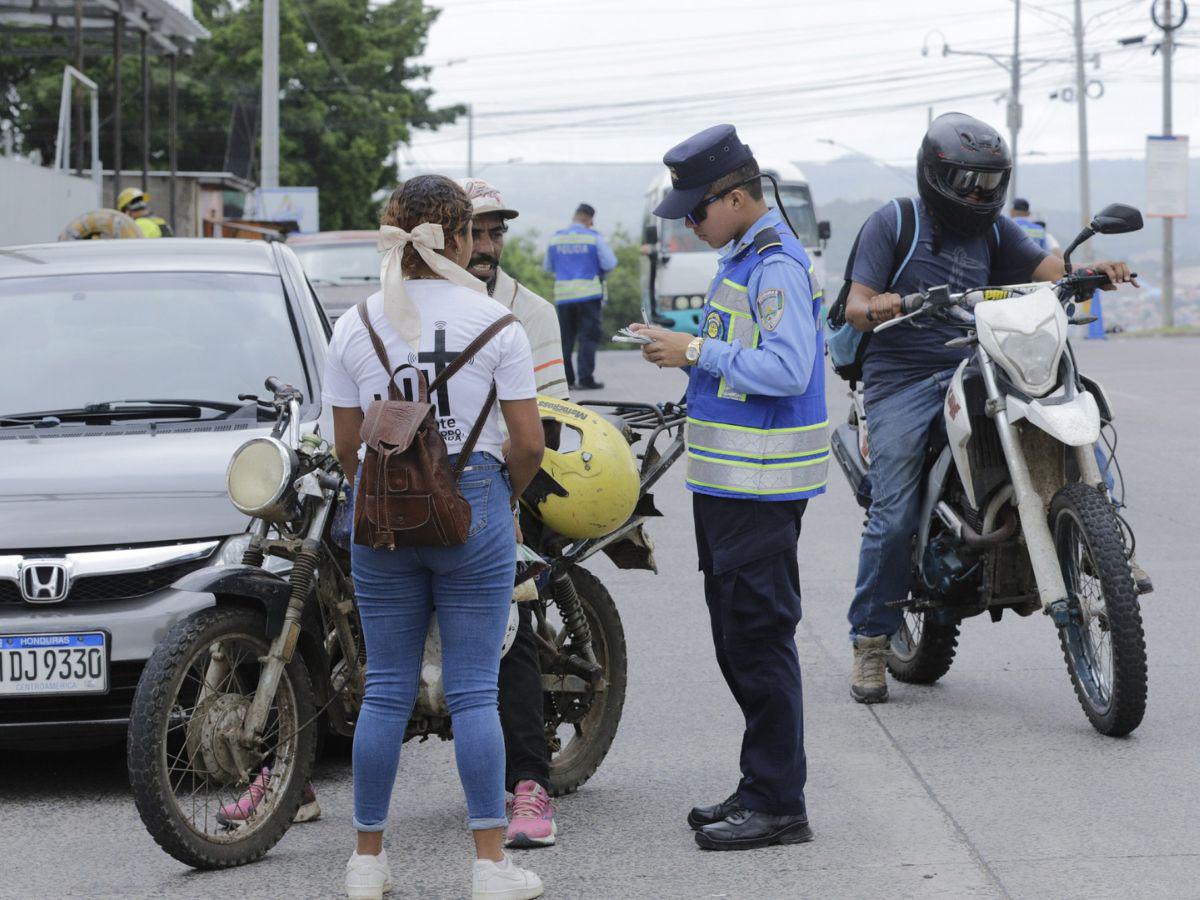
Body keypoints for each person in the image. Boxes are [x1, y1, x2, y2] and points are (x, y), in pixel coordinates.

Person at [842, 112, 1138, 705]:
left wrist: (1091, 273)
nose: (979, 193)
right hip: (902, 377)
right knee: (895, 508)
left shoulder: (995, 231)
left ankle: (1113, 560)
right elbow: (855, 304)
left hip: (979, 360)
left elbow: (1052, 271)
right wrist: (886, 305)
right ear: (935, 175)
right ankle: (871, 639)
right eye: (967, 181)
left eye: (989, 181)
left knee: (1069, 406)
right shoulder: (895, 222)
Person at [323, 175, 545, 900]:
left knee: (385, 690)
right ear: (459, 235)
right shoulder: (497, 324)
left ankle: (366, 862)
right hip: (474, 503)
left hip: (381, 514)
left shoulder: (355, 323)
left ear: (395, 231)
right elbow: (529, 443)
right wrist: (495, 495)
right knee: (474, 691)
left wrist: (384, 492)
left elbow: (346, 446)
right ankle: (489, 867)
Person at [631, 124, 827, 852]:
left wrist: (695, 349)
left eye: (696, 212)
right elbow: (739, 364)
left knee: (758, 640)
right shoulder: (741, 257)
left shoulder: (773, 264)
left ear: (737, 197)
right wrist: (682, 356)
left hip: (759, 486)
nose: (691, 224)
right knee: (737, 640)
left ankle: (779, 802)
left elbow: (786, 369)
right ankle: (760, 786)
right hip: (729, 485)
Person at [458, 176, 566, 849]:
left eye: (496, 232)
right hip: (428, 489)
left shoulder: (533, 314)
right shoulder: (411, 307)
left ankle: (529, 781)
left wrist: (507, 498)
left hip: (514, 480)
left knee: (513, 611)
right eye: (475, 231)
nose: (487, 245)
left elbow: (544, 426)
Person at [543, 203, 617, 391]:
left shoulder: (555, 239)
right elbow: (609, 263)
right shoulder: (593, 238)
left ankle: (567, 380)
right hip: (588, 295)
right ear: (588, 219)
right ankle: (585, 379)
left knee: (566, 339)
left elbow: (548, 268)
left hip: (564, 297)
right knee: (588, 337)